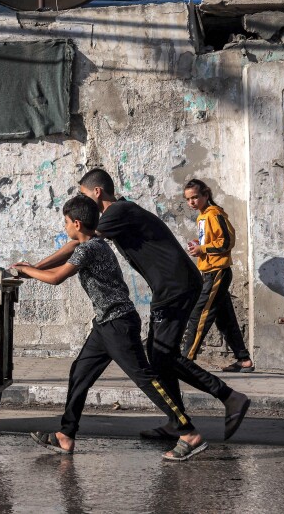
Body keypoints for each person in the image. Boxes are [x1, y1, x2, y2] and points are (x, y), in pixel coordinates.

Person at [31, 169, 250, 453]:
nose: (81, 202)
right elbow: (79, 244)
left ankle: (225, 399)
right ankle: (176, 422)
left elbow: (77, 242)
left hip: (176, 287)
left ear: (97, 192)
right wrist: (35, 269)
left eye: (83, 195)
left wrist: (33, 268)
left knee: (159, 359)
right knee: (158, 357)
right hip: (168, 288)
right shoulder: (120, 213)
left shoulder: (116, 212)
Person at [15, 195, 208, 461]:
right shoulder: (93, 244)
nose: (65, 227)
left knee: (145, 379)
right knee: (80, 371)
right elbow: (64, 260)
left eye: (66, 222)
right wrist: (33, 267)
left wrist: (27, 271)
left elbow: (57, 277)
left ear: (77, 224)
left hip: (118, 324)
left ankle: (189, 433)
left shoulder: (90, 248)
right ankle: (65, 436)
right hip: (105, 323)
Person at [182, 179, 254, 372]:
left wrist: (202, 248)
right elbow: (214, 240)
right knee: (225, 319)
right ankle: (243, 359)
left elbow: (227, 242)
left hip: (217, 272)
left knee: (200, 314)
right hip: (210, 271)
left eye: (195, 197)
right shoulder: (203, 216)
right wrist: (199, 243)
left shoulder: (214, 214)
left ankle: (185, 359)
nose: (192, 202)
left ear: (206, 194)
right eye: (189, 199)